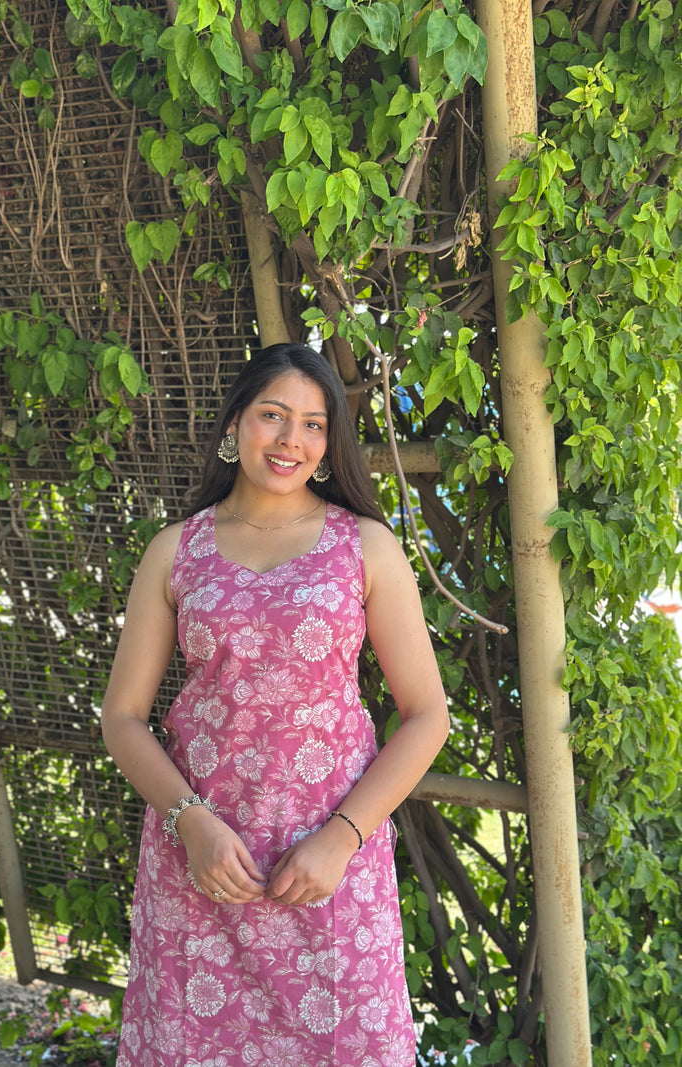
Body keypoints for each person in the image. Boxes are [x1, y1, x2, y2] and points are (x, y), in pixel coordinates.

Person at [101, 342, 449, 1067]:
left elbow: (427, 715)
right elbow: (123, 717)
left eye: (314, 424)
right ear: (235, 423)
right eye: (273, 415)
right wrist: (190, 823)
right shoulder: (175, 550)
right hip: (201, 871)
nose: (292, 439)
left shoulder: (366, 548)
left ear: (328, 444)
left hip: (328, 874)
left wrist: (342, 838)